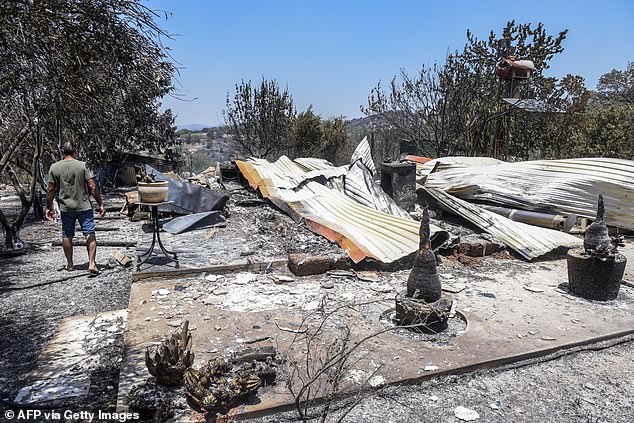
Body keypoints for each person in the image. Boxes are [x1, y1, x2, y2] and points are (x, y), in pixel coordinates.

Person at [46, 142, 106, 274]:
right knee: (89, 233)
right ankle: (91, 263)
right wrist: (100, 203)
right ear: (75, 152)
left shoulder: (54, 167)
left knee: (67, 235)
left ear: (63, 153)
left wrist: (49, 207)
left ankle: (70, 264)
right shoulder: (83, 165)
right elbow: (92, 187)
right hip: (84, 206)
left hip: (65, 208)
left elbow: (50, 189)